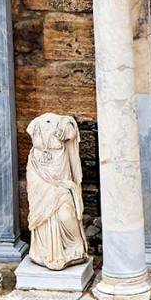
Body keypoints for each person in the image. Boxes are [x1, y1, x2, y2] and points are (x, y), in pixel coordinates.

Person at [26, 113, 88, 270]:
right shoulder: (35, 123)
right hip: (37, 174)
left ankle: (75, 245)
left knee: (65, 213)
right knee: (40, 214)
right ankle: (43, 251)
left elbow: (71, 135)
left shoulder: (66, 125)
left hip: (60, 177)